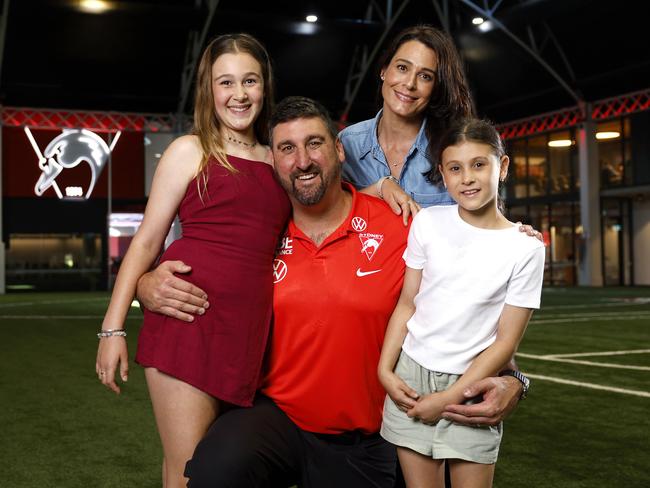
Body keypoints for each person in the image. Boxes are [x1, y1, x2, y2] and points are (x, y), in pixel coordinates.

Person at [136, 97, 528, 487]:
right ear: (272, 160)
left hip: (365, 435)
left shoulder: (401, 228)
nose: (302, 160)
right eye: (287, 148)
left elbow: (464, 307)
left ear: (338, 149)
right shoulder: (261, 234)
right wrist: (145, 283)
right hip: (278, 418)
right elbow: (202, 276)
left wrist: (514, 380)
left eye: (315, 143)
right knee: (214, 470)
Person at [95, 33, 290, 487]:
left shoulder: (277, 157)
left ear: (265, 86)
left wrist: (377, 189)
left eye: (250, 81)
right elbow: (145, 242)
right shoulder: (190, 150)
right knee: (189, 472)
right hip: (188, 324)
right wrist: (112, 328)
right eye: (226, 82)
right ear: (209, 89)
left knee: (215, 470)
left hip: (250, 338)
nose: (239, 94)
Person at [378, 119, 544, 487]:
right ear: (443, 174)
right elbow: (408, 304)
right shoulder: (428, 223)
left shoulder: (526, 248)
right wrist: (385, 371)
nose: (467, 177)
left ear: (502, 167)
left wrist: (451, 396)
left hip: (472, 386)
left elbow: (505, 343)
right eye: (455, 168)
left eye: (479, 164)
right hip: (411, 376)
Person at [340, 25, 474, 221]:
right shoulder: (346, 144)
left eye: (425, 76)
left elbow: (483, 222)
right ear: (384, 70)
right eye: (402, 68)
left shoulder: (452, 149)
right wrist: (378, 189)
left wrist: (517, 235)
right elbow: (326, 212)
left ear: (436, 88)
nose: (410, 84)